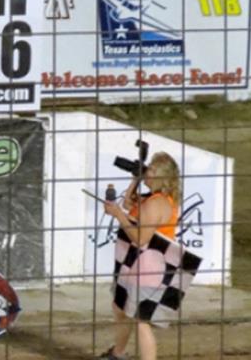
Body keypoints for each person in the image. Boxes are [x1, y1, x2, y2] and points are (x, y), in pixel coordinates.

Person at [99, 152, 183, 360]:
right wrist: (134, 180)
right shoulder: (152, 199)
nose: (147, 171)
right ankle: (118, 353)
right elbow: (129, 203)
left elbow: (141, 238)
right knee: (120, 308)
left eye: (152, 170)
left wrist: (119, 216)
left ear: (162, 177)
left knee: (141, 320)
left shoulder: (157, 204)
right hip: (135, 265)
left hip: (148, 268)